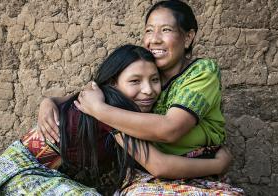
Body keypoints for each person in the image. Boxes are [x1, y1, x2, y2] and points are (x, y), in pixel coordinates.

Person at [38, 1, 244, 195]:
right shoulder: (121, 98)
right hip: (45, 173)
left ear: (188, 37)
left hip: (187, 168)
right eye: (149, 30)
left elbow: (171, 128)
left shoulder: (200, 72)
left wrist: (98, 110)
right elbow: (83, 99)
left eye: (166, 30)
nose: (154, 39)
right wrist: (49, 102)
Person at [0, 44, 232, 196]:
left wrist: (49, 100)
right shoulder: (113, 109)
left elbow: (67, 100)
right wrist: (218, 165)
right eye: (135, 81)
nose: (148, 90)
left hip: (48, 175)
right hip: (22, 178)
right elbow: (159, 165)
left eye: (154, 80)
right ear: (113, 82)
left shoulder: (103, 100)